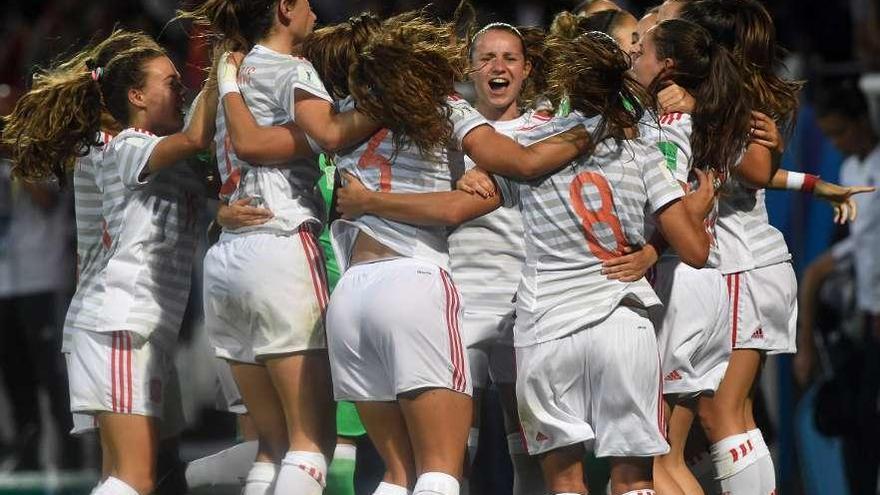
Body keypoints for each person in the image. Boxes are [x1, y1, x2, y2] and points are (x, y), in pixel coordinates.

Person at [2, 28, 219, 495]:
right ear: (136, 95)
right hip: (119, 324)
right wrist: (226, 72)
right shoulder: (121, 146)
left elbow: (204, 169)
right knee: (133, 480)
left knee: (152, 475)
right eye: (169, 81)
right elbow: (200, 133)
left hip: (140, 327)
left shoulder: (161, 154)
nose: (180, 88)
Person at [182, 1, 381, 493]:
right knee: (312, 444)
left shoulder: (230, 71)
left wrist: (222, 202)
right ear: (285, 8)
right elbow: (331, 133)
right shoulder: (291, 67)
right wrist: (394, 100)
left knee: (270, 447)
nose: (316, 9)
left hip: (227, 257)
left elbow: (194, 140)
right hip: (282, 248)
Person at [627, 17, 751, 495]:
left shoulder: (669, 122)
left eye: (642, 51)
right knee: (670, 461)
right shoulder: (698, 114)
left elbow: (678, 198)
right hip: (706, 289)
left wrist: (651, 249)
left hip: (680, 284)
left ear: (668, 65)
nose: (633, 57)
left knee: (653, 463)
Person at [798, 82, 880, 493]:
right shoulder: (850, 173)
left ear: (863, 121)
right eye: (828, 135)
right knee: (858, 428)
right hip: (866, 321)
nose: (838, 143)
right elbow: (851, 250)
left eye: (841, 132)